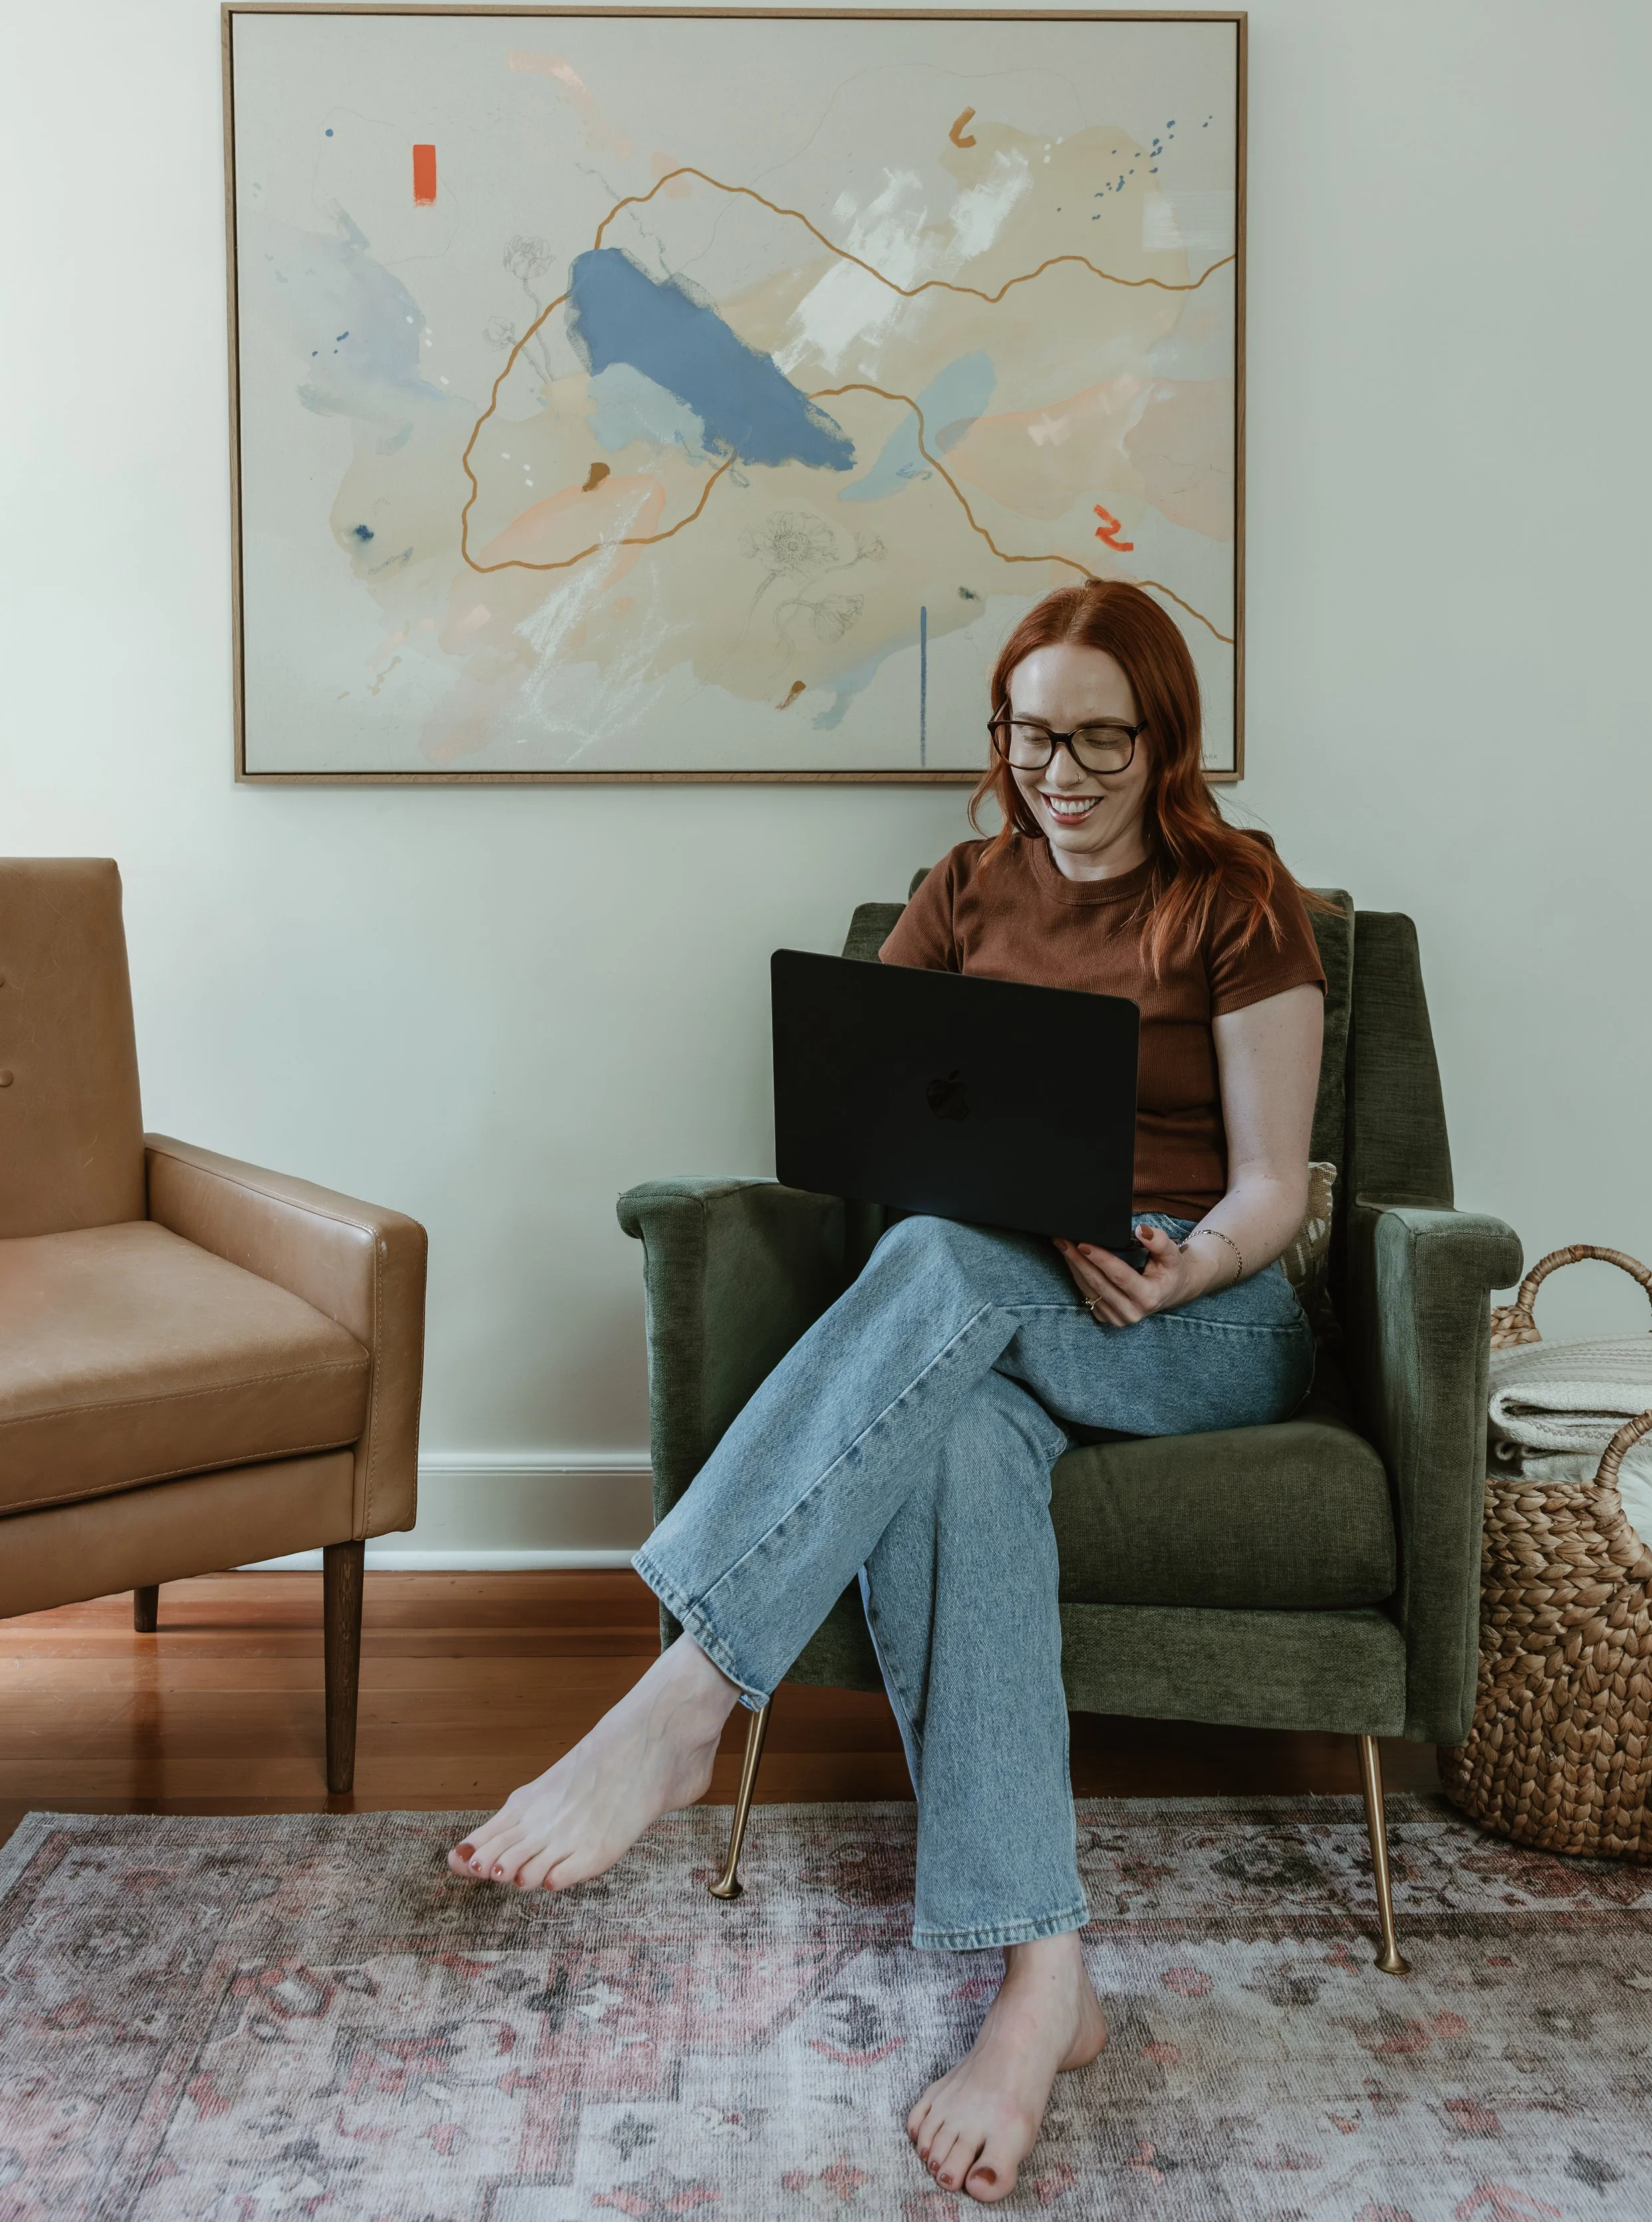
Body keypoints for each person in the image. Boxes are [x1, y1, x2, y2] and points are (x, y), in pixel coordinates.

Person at [448, 579, 1327, 2204]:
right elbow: (871, 1129)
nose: (1055, 772)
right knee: (954, 1433)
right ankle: (1039, 1975)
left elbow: (1275, 1184)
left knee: (932, 1262)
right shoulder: (959, 887)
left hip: (1197, 1318)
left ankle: (687, 1691)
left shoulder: (1235, 897)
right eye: (1026, 733)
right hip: (995, 1313)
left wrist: (1185, 1264)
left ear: (1161, 742)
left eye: (1094, 739)